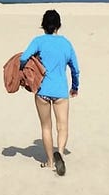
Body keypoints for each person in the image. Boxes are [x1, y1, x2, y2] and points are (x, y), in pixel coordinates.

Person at [20, 10, 80, 176]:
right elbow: (75, 69)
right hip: (61, 91)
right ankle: (59, 153)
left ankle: (49, 162)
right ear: (58, 26)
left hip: (42, 91)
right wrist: (75, 86)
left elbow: (23, 57)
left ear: (43, 26)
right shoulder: (66, 43)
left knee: (46, 127)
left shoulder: (38, 41)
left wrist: (25, 69)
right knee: (63, 126)